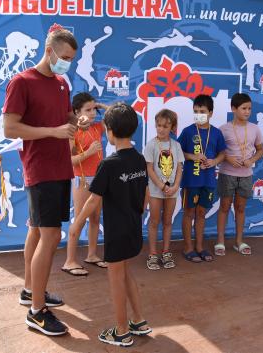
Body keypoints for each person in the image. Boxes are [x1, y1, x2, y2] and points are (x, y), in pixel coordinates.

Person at [3, 23, 88, 336]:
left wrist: (73, 120)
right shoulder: (21, 82)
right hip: (40, 168)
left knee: (38, 232)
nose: (67, 62)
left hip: (60, 166)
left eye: (71, 59)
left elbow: (63, 117)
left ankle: (30, 291)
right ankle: (37, 311)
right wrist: (51, 132)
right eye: (64, 56)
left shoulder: (62, 83)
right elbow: (10, 128)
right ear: (49, 50)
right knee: (50, 236)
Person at [73, 103, 151, 347]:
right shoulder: (139, 159)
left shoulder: (109, 164)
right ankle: (139, 321)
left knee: (116, 279)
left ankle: (121, 331)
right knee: (126, 273)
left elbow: (94, 199)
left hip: (117, 233)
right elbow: (146, 194)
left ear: (109, 132)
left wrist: (77, 224)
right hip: (134, 228)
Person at [61, 92, 109, 276]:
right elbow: (69, 161)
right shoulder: (73, 132)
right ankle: (70, 261)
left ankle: (91, 255)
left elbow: (118, 112)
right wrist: (89, 153)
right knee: (80, 220)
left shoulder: (97, 127)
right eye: (87, 110)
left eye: (93, 110)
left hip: (98, 179)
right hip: (82, 180)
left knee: (96, 218)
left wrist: (101, 106)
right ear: (76, 112)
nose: (92, 114)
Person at [178, 94, 226, 263]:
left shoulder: (217, 133)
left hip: (208, 180)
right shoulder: (187, 131)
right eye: (196, 111)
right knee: (189, 212)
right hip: (191, 181)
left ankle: (199, 246)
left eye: (202, 111)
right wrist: (192, 156)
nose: (199, 114)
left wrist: (214, 161)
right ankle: (188, 247)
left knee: (201, 213)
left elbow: (222, 153)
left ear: (210, 113)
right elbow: (178, 152)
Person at [215, 93, 263, 256]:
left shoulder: (255, 128)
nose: (247, 111)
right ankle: (220, 241)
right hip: (227, 173)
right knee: (224, 207)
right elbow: (218, 150)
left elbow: (260, 149)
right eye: (244, 108)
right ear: (233, 109)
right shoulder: (224, 128)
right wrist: (228, 158)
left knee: (240, 208)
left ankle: (239, 241)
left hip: (246, 174)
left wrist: (252, 160)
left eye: (249, 108)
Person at [143, 109, 184, 270]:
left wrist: (174, 187)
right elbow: (150, 168)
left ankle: (166, 252)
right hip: (155, 191)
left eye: (165, 127)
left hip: (172, 192)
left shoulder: (176, 145)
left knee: (168, 222)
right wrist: (161, 186)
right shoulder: (152, 145)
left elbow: (180, 168)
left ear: (172, 128)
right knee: (154, 221)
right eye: (158, 125)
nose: (161, 129)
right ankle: (153, 254)